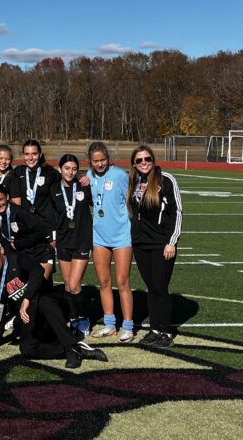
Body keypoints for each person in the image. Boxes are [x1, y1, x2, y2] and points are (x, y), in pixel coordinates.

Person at [12, 250, 109, 369]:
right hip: (32, 319)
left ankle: (70, 344)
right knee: (27, 349)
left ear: (1, 251)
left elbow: (38, 270)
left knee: (45, 301)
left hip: (52, 310)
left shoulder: (18, 258)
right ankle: (76, 349)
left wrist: (27, 298)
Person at [128, 145, 182, 349]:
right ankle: (154, 329)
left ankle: (167, 332)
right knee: (151, 288)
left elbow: (177, 211)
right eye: (139, 160)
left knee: (160, 287)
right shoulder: (133, 180)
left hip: (162, 243)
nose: (144, 163)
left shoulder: (165, 179)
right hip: (140, 243)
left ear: (153, 159)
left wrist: (172, 241)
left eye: (147, 159)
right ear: (134, 163)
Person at [84, 142, 135, 343]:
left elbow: (131, 201)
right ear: (90, 161)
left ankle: (128, 326)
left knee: (122, 283)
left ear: (108, 158)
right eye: (95, 161)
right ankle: (110, 324)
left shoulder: (119, 175)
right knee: (104, 282)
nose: (99, 164)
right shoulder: (88, 177)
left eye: (103, 160)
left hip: (122, 235)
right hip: (99, 237)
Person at [49, 154, 93, 336]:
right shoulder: (53, 190)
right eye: (67, 168)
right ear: (60, 169)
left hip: (82, 240)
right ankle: (73, 317)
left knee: (75, 284)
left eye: (74, 169)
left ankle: (83, 317)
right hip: (63, 241)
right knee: (67, 284)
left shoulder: (84, 185)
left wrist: (91, 180)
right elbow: (52, 216)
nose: (70, 172)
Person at [0, 184, 55, 279]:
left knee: (39, 286)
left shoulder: (19, 212)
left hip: (39, 254)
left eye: (1, 199)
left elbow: (41, 232)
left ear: (7, 197)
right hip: (23, 256)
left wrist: (18, 244)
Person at [11, 140, 60, 232]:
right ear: (23, 155)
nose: (30, 158)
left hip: (46, 224)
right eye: (27, 154)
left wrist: (84, 179)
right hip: (26, 224)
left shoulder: (50, 173)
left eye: (34, 154)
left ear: (40, 154)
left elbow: (68, 180)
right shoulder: (18, 171)